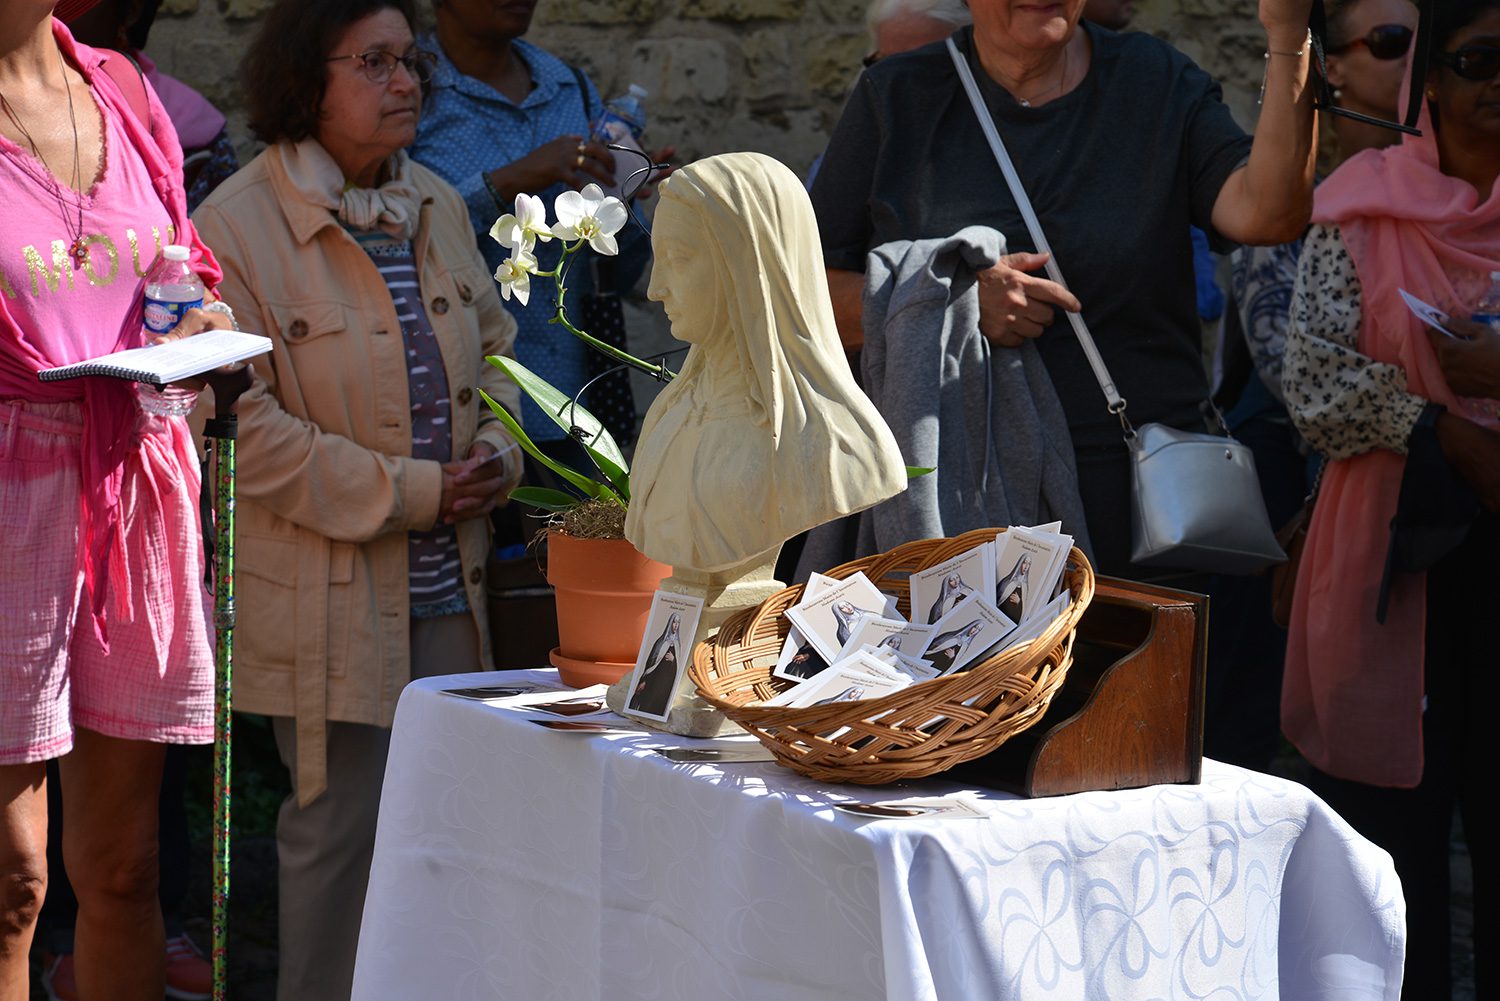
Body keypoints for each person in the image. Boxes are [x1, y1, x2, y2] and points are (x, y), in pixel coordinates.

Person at [190, 0, 523, 996]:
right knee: (339, 843)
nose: (407, 82)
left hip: (454, 590)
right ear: (306, 80)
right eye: (374, 63)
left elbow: (500, 357)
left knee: (460, 836)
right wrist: (414, 490)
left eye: (409, 60)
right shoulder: (235, 227)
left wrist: (501, 450)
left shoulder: (435, 201)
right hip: (328, 595)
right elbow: (242, 431)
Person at [811, 0, 1319, 578]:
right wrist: (955, 303)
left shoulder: (1154, 81)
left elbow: (1267, 215)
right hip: (963, 511)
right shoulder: (897, 96)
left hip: (1146, 503)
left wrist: (1288, 36)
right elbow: (807, 296)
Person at [1, 0, 233, 997]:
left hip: (134, 479)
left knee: (126, 870)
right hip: (10, 495)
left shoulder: (124, 89)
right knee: (11, 882)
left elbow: (174, 265)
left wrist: (203, 323)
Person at [1280, 0, 1500, 993]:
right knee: (1395, 841)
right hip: (1395, 557)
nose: (1498, 81)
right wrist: (1439, 420)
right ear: (1432, 85)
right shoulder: (1359, 207)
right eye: (1479, 59)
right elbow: (1313, 380)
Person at [1204, 0, 1418, 772]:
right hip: (1314, 520)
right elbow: (1308, 395)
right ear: (1332, 66)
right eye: (1393, 42)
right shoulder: (1293, 203)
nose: (1414, 59)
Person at [625, 152, 907, 574]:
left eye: (679, 259)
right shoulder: (669, 417)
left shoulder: (834, 440)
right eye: (658, 259)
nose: (655, 289)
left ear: (749, 265)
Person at [410, 0, 659, 464]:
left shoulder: (570, 88)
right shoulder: (410, 89)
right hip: (459, 411)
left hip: (573, 409)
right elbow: (399, 237)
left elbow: (615, 274)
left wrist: (624, 198)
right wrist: (508, 182)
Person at [66, 0, 237, 212]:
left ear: (131, 11)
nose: (53, 13)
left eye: (72, 3)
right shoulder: (25, 111)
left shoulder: (196, 127)